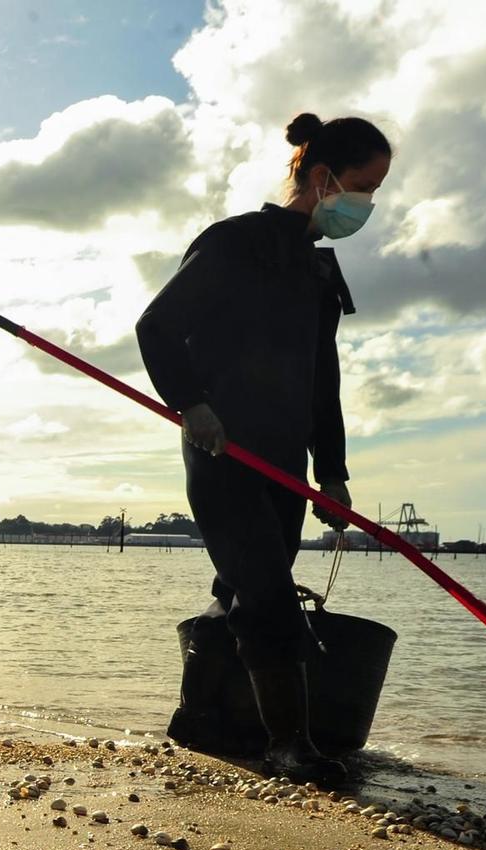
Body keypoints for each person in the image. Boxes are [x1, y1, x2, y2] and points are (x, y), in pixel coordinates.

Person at [136, 111, 391, 786]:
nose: (366, 204)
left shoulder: (320, 276)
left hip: (287, 465)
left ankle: (200, 718)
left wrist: (332, 473)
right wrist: (192, 405)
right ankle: (290, 745)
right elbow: (157, 326)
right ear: (321, 176)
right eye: (362, 186)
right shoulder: (234, 243)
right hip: (223, 454)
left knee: (243, 591)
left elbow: (322, 384)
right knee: (272, 598)